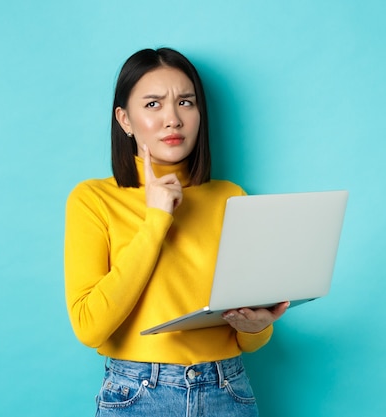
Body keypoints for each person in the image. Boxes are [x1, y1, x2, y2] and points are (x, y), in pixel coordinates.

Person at [64, 47, 289, 416]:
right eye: (153, 105)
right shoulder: (93, 199)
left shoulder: (230, 197)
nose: (173, 119)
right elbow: (90, 328)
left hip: (227, 389)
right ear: (125, 119)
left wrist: (257, 326)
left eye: (186, 102)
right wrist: (156, 221)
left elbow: (251, 341)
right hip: (137, 393)